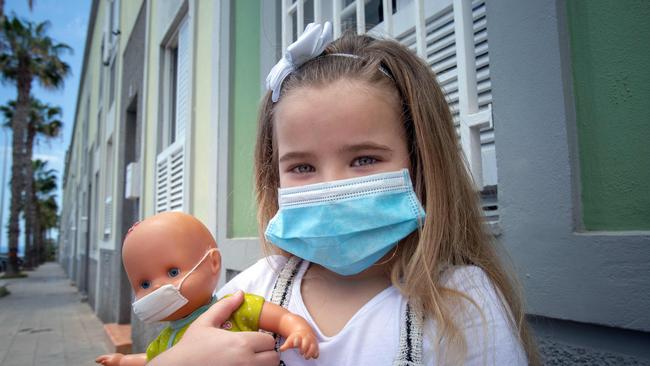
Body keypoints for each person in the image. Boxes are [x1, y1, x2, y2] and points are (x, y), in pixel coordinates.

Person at [151, 22, 539, 365]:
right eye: (302, 167)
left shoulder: (461, 303)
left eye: (365, 159)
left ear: (421, 162)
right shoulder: (252, 289)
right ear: (275, 176)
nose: (330, 188)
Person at [95, 212, 318, 366]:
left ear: (212, 263)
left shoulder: (231, 306)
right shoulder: (165, 339)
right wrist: (124, 361)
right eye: (144, 284)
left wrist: (298, 329)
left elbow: (277, 317)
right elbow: (152, 359)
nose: (156, 287)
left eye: (173, 272)